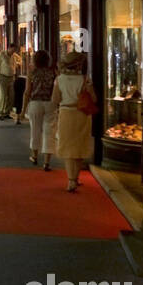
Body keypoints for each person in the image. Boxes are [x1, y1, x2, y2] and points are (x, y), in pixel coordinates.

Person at [50, 50, 96, 192]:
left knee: (68, 148)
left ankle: (71, 181)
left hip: (66, 114)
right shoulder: (85, 79)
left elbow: (55, 100)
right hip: (82, 115)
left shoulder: (59, 79)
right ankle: (76, 178)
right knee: (79, 146)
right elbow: (94, 100)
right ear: (78, 65)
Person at [21, 49, 56, 170]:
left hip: (35, 103)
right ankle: (46, 162)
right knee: (49, 132)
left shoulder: (32, 73)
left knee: (35, 130)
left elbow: (27, 92)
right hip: (50, 103)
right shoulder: (53, 73)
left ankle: (34, 156)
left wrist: (22, 110)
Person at [0, 44, 17, 121]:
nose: (13, 52)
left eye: (14, 50)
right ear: (9, 48)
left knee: (11, 96)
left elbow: (15, 65)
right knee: (3, 95)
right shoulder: (2, 55)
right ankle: (1, 112)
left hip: (11, 78)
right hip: (3, 77)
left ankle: (7, 112)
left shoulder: (13, 56)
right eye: (12, 50)